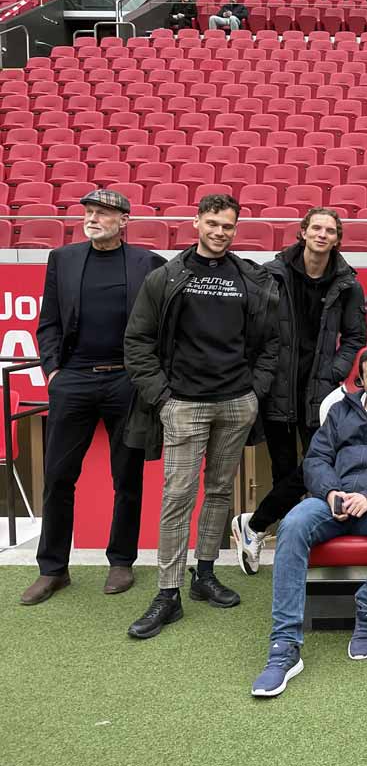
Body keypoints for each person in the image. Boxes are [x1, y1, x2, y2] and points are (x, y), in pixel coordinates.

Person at [124, 193, 280, 639]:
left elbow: (270, 342)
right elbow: (137, 343)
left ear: (235, 228)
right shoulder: (167, 277)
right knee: (178, 497)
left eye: (228, 225)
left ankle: (205, 574)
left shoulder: (250, 278)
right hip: (184, 405)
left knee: (217, 492)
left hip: (236, 403)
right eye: (212, 223)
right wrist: (164, 399)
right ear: (196, 223)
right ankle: (167, 594)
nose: (220, 232)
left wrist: (255, 392)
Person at [250, 347, 367, 697]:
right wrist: (332, 493)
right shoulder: (340, 410)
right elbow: (316, 458)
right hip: (332, 503)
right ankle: (284, 646)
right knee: (293, 523)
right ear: (361, 378)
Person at [21, 190, 165, 606]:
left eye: (103, 213)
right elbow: (48, 321)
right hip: (74, 381)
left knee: (128, 478)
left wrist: (147, 375)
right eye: (88, 211)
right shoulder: (62, 260)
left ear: (124, 221)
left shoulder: (147, 263)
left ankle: (121, 561)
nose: (92, 218)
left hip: (126, 381)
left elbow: (160, 324)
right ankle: (52, 569)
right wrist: (53, 373)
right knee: (58, 477)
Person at [231, 207, 367, 576]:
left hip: (319, 390)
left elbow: (356, 338)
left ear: (337, 238)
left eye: (330, 230)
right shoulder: (271, 275)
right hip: (277, 386)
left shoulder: (347, 283)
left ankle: (255, 524)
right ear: (303, 232)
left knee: (314, 467)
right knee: (283, 469)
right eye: (316, 228)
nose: (322, 235)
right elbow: (252, 327)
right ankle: (292, 551)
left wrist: (334, 373)